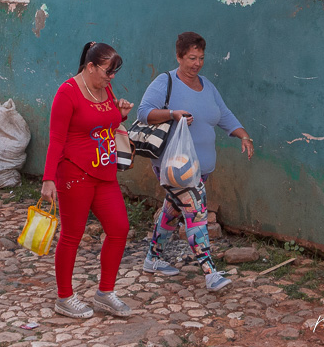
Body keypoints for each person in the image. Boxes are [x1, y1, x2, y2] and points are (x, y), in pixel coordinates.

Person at [137, 31, 254, 291]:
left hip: (201, 169)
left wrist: (243, 135)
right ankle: (210, 272)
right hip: (174, 168)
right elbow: (144, 113)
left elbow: (223, 115)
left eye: (200, 58)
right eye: (191, 58)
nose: (197, 63)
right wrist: (172, 114)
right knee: (197, 212)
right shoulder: (165, 81)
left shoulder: (207, 85)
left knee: (172, 210)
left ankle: (153, 259)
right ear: (179, 56)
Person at [41, 42, 135, 319]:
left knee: (119, 228)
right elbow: (56, 139)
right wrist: (49, 179)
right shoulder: (67, 92)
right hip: (74, 174)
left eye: (115, 71)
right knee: (72, 235)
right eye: (108, 70)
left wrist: (122, 112)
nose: (112, 76)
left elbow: (110, 121)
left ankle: (105, 293)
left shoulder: (104, 88)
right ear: (90, 66)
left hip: (104, 173)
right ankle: (64, 297)